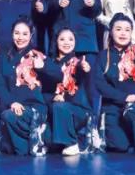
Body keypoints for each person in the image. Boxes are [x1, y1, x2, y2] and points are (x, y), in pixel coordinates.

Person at [92, 14, 135, 154]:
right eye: (118, 29)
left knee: (132, 113)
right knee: (119, 146)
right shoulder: (103, 56)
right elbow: (100, 85)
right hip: (113, 105)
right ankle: (132, 137)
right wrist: (124, 97)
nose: (123, 33)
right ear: (111, 32)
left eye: (127, 30)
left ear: (131, 33)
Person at [38, 28, 99, 156]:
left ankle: (72, 143)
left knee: (60, 107)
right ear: (56, 42)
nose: (66, 42)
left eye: (70, 39)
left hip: (77, 110)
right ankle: (61, 141)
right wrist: (54, 97)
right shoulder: (49, 63)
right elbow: (45, 92)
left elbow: (83, 81)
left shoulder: (78, 62)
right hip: (55, 111)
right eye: (62, 39)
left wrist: (85, 70)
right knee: (47, 138)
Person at [0, 19, 48, 156]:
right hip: (14, 108)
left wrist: (43, 67)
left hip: (34, 108)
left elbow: (58, 74)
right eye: (17, 33)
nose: (20, 37)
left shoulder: (36, 55)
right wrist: (12, 102)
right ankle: (35, 139)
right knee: (16, 151)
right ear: (12, 34)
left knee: (9, 116)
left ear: (31, 35)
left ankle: (41, 132)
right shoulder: (4, 57)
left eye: (25, 34)